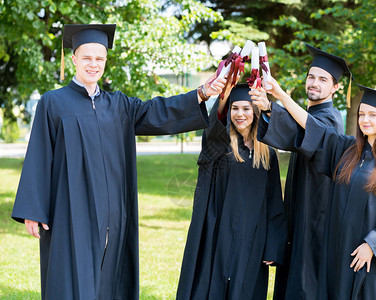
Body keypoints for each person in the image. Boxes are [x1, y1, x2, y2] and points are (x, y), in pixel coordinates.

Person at [11, 24, 226, 300]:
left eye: (99, 59)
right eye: (87, 58)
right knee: (71, 278)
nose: (93, 64)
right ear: (74, 59)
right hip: (71, 213)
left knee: (111, 277)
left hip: (114, 214)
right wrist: (34, 210)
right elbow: (39, 156)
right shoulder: (53, 103)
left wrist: (201, 93)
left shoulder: (119, 105)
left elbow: (157, 111)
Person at [254, 78, 376, 299]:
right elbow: (313, 128)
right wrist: (280, 96)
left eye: (372, 115)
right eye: (361, 114)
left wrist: (372, 245)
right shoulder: (346, 150)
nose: (364, 120)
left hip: (368, 259)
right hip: (339, 252)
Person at [251, 44, 351, 299]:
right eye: (311, 77)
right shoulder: (308, 115)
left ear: (335, 87)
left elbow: (312, 131)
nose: (315, 83)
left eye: (323, 79)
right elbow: (293, 135)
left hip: (316, 217)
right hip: (300, 212)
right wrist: (268, 108)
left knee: (307, 285)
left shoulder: (331, 118)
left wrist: (280, 96)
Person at [176, 83, 288, 299]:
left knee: (246, 288)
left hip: (253, 238)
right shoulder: (220, 147)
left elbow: (274, 201)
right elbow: (211, 130)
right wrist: (224, 90)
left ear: (255, 112)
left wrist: (272, 245)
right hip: (218, 232)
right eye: (235, 108)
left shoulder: (267, 154)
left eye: (246, 108)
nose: (240, 114)